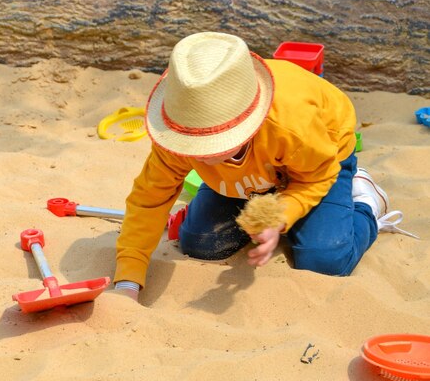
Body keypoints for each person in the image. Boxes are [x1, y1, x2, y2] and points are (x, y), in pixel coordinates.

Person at [113, 32, 416, 301]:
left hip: (319, 163)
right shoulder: (181, 129)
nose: (200, 156)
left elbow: (314, 178)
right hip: (247, 175)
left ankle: (365, 203)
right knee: (200, 242)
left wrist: (279, 216)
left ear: (249, 124)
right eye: (194, 147)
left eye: (212, 145)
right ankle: (262, 197)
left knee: (323, 259)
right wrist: (128, 278)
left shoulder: (291, 125)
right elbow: (149, 198)